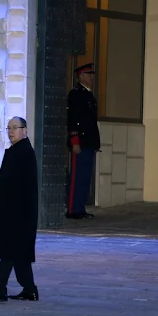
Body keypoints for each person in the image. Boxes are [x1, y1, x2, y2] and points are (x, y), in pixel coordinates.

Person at [0, 117, 39, 302]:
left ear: (24, 130)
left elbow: (5, 179)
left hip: (19, 212)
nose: (11, 131)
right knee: (19, 252)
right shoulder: (19, 150)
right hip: (18, 209)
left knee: (10, 251)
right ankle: (29, 290)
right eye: (8, 128)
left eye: (15, 128)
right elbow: (12, 181)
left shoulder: (22, 152)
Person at [66, 63, 101, 219]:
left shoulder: (89, 95)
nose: (91, 77)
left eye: (92, 74)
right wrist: (75, 140)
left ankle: (80, 208)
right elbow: (73, 120)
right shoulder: (76, 94)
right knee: (76, 177)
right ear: (81, 76)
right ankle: (73, 209)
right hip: (80, 142)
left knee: (85, 177)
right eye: (88, 74)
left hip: (89, 142)